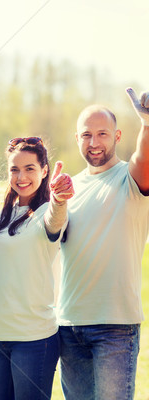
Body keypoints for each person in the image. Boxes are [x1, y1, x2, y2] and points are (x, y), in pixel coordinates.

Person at [58, 88, 149, 400]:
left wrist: (147, 124)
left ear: (118, 135)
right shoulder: (70, 187)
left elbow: (144, 161)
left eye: (102, 134)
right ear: (77, 138)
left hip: (115, 329)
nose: (94, 142)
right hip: (69, 326)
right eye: (86, 135)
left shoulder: (130, 178)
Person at [0, 137, 73, 399]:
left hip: (34, 341)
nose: (21, 176)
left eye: (30, 168)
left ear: (44, 171)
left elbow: (55, 220)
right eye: (14, 169)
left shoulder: (47, 211)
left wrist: (59, 199)